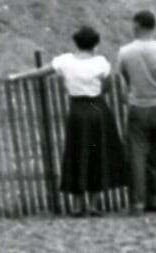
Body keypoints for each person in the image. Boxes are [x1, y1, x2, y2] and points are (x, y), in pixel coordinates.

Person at [111, 8, 156, 212]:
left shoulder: (125, 52)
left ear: (136, 25)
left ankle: (138, 202)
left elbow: (126, 78)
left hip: (138, 106)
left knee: (137, 155)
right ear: (153, 26)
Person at [47, 26, 125, 212]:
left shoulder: (65, 61)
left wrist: (16, 76)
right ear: (96, 44)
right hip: (97, 109)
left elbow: (43, 71)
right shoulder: (100, 62)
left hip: (77, 110)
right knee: (97, 153)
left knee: (76, 153)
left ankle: (76, 205)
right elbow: (105, 86)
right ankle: (93, 204)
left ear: (76, 42)